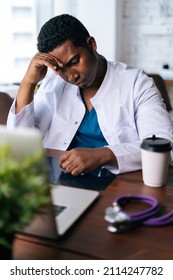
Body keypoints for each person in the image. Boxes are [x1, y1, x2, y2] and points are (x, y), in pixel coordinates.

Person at [7, 14, 173, 179]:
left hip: (120, 185)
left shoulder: (136, 83)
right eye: (61, 69)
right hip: (59, 183)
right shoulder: (54, 84)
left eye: (74, 62)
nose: (71, 77)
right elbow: (20, 143)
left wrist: (104, 155)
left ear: (91, 44)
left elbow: (165, 145)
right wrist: (28, 82)